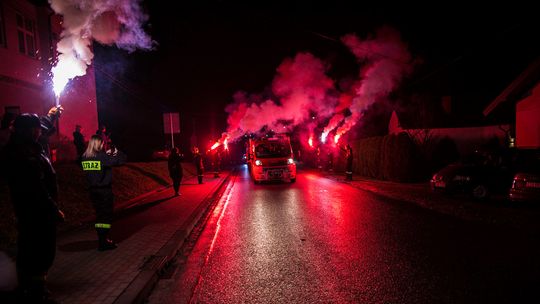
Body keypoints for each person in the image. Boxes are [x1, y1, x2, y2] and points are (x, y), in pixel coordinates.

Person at [1, 114, 65, 303]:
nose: (40, 132)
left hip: (35, 212)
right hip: (36, 212)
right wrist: (53, 209)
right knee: (38, 252)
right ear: (27, 130)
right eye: (36, 129)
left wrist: (51, 116)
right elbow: (36, 188)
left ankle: (35, 288)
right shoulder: (23, 154)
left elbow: (40, 126)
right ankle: (34, 292)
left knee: (36, 251)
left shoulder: (27, 146)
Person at [81, 135, 126, 251]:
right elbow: (121, 160)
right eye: (102, 143)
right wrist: (115, 150)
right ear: (99, 144)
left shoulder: (85, 157)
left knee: (99, 215)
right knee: (105, 216)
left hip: (93, 191)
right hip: (104, 191)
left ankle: (101, 239)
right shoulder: (102, 157)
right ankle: (103, 242)